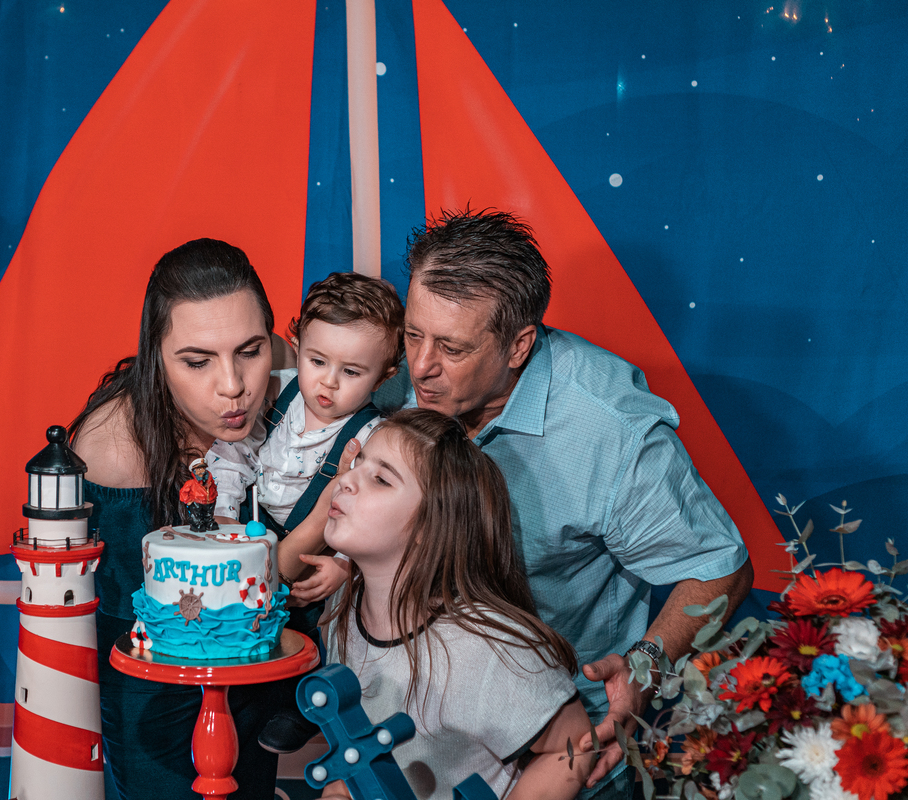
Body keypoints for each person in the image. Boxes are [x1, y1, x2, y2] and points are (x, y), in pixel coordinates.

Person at [375, 208, 755, 797]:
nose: (420, 367)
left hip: (559, 750)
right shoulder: (394, 375)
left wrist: (645, 669)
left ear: (519, 344)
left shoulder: (609, 430)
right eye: (414, 333)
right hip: (411, 731)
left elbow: (719, 568)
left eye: (451, 347)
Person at [69, 238, 286, 800]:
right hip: (157, 700)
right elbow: (124, 639)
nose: (233, 385)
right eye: (197, 361)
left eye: (250, 350)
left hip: (262, 673)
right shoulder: (115, 448)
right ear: (154, 356)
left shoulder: (302, 378)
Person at [319, 408, 593, 799]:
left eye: (380, 479)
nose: (346, 480)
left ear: (430, 526)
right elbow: (356, 745)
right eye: (357, 462)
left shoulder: (490, 648)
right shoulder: (343, 602)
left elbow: (574, 747)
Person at [206, 270, 404, 752]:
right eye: (318, 361)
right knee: (253, 622)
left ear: (386, 375)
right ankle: (253, 694)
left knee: (328, 620)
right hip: (255, 525)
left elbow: (380, 516)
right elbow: (232, 453)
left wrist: (344, 566)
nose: (329, 384)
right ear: (296, 345)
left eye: (352, 373)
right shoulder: (278, 391)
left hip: (329, 541)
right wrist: (227, 513)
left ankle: (310, 704)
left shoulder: (373, 434)